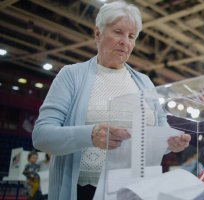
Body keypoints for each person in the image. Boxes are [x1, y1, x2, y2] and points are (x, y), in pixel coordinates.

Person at [32, 1, 191, 199]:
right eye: (118, 32)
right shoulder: (71, 75)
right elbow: (41, 136)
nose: (125, 41)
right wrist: (91, 135)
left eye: (132, 36)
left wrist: (171, 143)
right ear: (97, 33)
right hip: (84, 191)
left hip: (135, 189)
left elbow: (160, 132)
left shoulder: (145, 82)